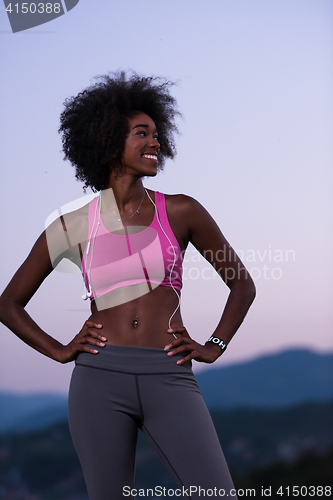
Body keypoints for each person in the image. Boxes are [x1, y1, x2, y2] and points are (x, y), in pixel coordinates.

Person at [0, 72, 256, 500]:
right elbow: (9, 304)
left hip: (168, 373)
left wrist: (215, 344)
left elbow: (242, 285)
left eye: (157, 134)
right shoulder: (72, 225)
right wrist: (60, 350)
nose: (155, 143)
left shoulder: (181, 211)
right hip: (98, 378)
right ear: (107, 140)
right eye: (142, 134)